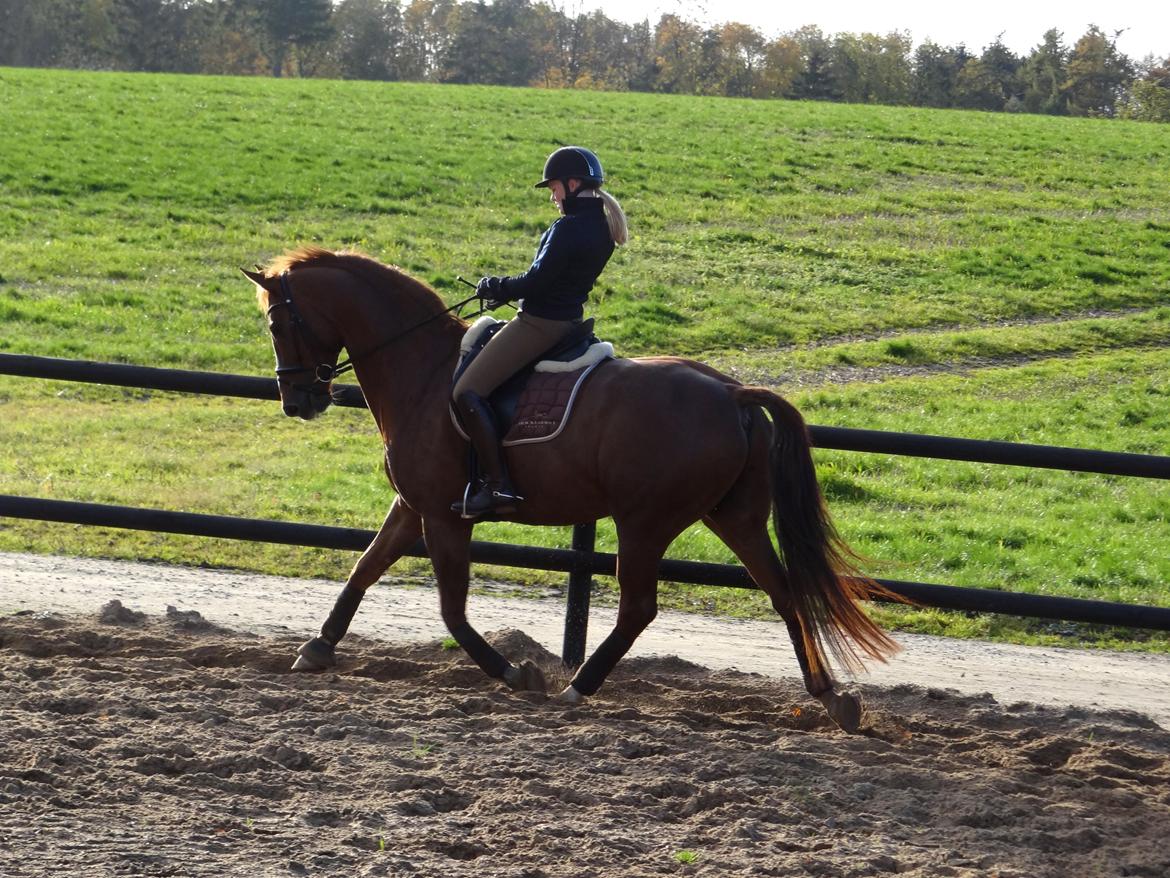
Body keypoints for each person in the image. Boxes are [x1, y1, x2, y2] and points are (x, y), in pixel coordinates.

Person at [451, 145, 629, 519]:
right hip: (567, 320)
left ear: (573, 183)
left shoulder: (568, 229)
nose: (552, 196)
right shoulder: (601, 226)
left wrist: (496, 286)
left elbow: (538, 280)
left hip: (539, 323)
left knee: (467, 390)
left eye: (554, 188)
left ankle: (498, 485)